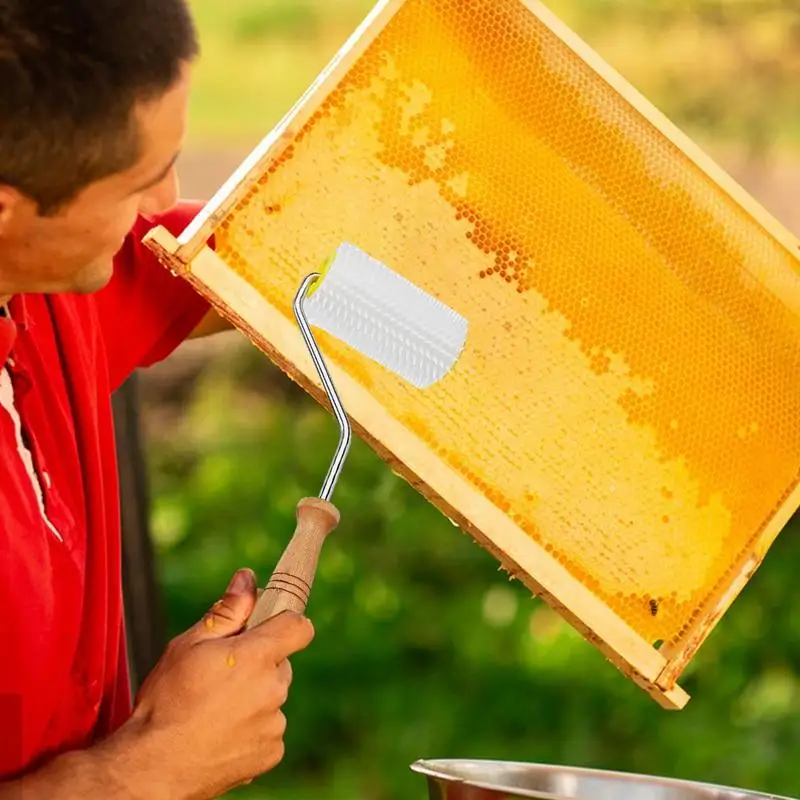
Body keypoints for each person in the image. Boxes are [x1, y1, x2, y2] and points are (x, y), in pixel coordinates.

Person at [0, 1, 315, 797]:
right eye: (140, 180)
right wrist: (155, 765)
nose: (164, 201)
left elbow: (258, 268)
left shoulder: (46, 282)